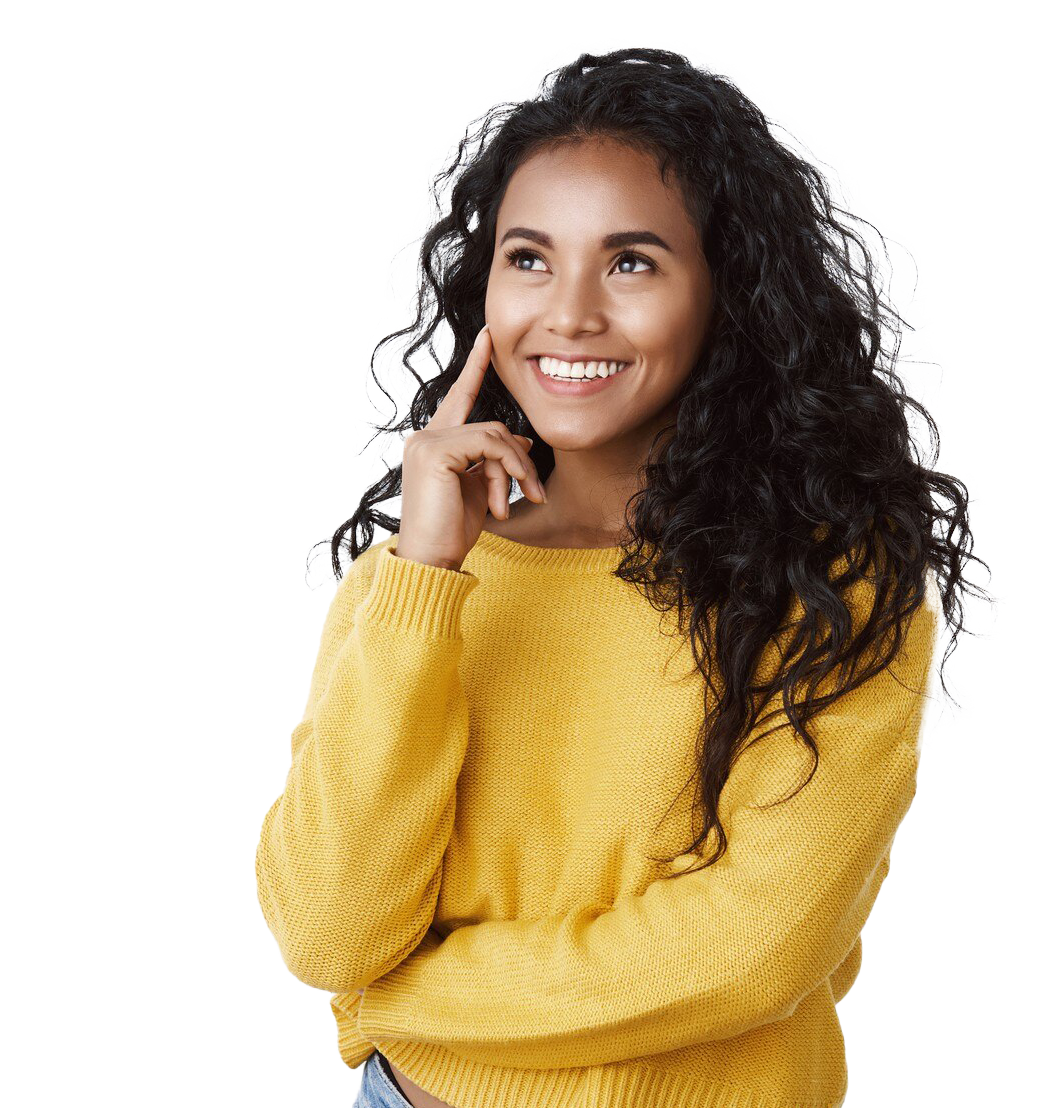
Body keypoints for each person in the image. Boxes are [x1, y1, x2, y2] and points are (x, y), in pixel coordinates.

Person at [255, 45, 988, 1108]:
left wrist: (400, 1002)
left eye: (632, 261)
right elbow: (330, 929)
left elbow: (748, 951)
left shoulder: (829, 580)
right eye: (529, 257)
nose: (570, 314)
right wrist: (422, 580)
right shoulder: (415, 578)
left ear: (726, 291)